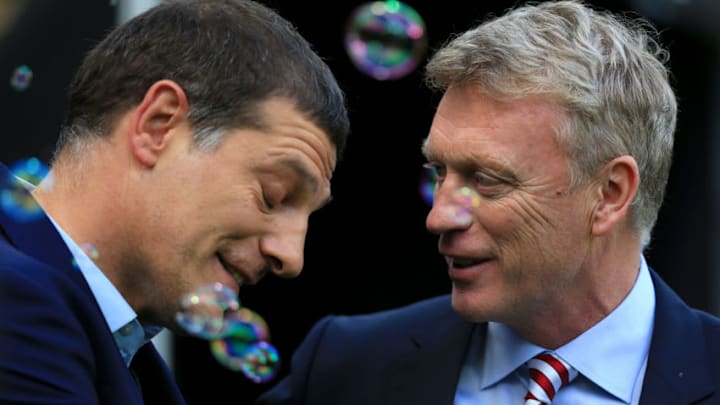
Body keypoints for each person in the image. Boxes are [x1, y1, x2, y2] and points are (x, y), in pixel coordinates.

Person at [256, 1, 720, 404]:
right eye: (438, 173)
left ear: (610, 193)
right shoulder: (345, 368)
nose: (438, 217)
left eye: (487, 180)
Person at [0, 0, 349, 403]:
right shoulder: (16, 302)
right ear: (159, 124)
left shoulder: (133, 366)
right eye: (273, 195)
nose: (291, 258)